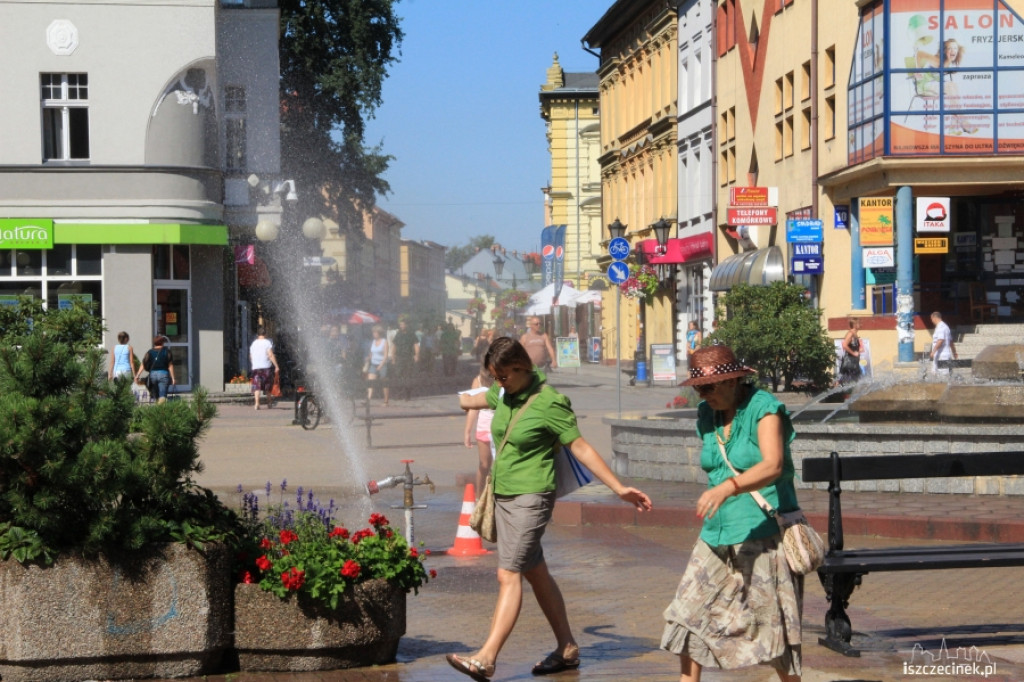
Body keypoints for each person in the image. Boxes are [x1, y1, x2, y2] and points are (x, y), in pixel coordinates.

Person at [449, 336, 651, 681]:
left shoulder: (550, 403)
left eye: (503, 377)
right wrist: (465, 398)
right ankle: (567, 647)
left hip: (532, 498)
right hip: (504, 496)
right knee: (535, 571)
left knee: (508, 573)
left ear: (521, 368)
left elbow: (581, 447)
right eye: (495, 378)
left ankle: (486, 657)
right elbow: (476, 399)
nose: (499, 384)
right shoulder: (503, 393)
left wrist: (618, 488)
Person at [662, 344, 803, 682]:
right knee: (687, 612)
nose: (702, 394)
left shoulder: (763, 408)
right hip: (716, 532)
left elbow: (773, 464)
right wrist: (718, 491)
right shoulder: (706, 414)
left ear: (733, 381)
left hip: (762, 532)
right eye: (698, 388)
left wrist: (727, 488)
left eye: (708, 387)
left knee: (775, 627)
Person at [463, 365, 496, 495]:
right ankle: (479, 496)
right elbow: (473, 408)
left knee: (503, 464)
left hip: (502, 428)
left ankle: (501, 497)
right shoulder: (478, 381)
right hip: (484, 428)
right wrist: (467, 432)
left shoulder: (504, 378)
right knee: (484, 465)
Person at [137, 336, 176, 404]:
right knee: (162, 396)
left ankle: (156, 408)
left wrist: (137, 375)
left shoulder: (150, 352)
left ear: (154, 343)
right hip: (163, 374)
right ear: (163, 342)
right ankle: (161, 410)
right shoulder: (167, 351)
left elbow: (143, 363)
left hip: (153, 375)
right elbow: (170, 365)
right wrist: (173, 378)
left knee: (156, 395)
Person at [249, 327, 279, 411]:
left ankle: (257, 404)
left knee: (257, 386)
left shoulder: (253, 344)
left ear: (257, 335)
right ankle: (269, 403)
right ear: (265, 334)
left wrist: (254, 363)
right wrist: (276, 366)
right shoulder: (267, 342)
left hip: (256, 367)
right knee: (267, 386)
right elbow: (270, 355)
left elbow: (251, 356)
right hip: (266, 367)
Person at [391, 317, 419, 400]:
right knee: (398, 375)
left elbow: (416, 345)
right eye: (400, 325)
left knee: (408, 376)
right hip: (399, 357)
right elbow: (394, 346)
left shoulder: (411, 334)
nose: (401, 326)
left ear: (406, 325)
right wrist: (393, 357)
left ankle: (407, 395)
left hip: (408, 357)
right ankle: (398, 394)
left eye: (403, 325)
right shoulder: (398, 334)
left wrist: (417, 355)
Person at [365, 324, 390, 405]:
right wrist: (368, 358)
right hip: (373, 363)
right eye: (373, 333)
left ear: (379, 333)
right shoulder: (373, 342)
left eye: (375, 333)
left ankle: (386, 401)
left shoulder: (384, 342)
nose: (374, 334)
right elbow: (372, 352)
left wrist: (381, 365)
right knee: (370, 381)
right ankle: (368, 399)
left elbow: (386, 355)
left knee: (384, 382)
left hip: (382, 364)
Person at [930, 311, 958, 376]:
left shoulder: (941, 327)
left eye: (931, 319)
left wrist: (933, 351)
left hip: (942, 356)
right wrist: (954, 352)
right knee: (935, 374)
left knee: (943, 376)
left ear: (934, 318)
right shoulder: (946, 327)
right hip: (941, 355)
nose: (932, 321)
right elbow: (951, 342)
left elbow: (940, 340)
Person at [839, 318, 863, 385]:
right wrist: (853, 353)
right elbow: (844, 345)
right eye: (859, 323)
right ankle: (837, 393)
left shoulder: (855, 334)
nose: (861, 324)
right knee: (845, 382)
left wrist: (858, 350)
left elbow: (852, 346)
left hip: (854, 363)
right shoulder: (851, 333)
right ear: (855, 325)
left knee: (854, 381)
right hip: (849, 363)